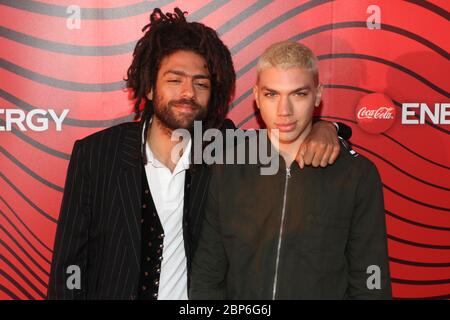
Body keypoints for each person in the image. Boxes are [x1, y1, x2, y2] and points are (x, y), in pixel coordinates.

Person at [47, 8, 351, 300]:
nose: (188, 93)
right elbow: (68, 265)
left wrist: (327, 128)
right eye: (175, 80)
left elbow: (289, 137)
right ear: (150, 87)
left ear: (213, 95)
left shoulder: (226, 148)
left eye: (200, 84)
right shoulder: (97, 154)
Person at [189, 41, 391, 299]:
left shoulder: (357, 174)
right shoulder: (227, 168)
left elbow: (371, 277)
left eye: (299, 94)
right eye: (272, 94)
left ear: (318, 95)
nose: (284, 111)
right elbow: (208, 273)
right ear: (256, 96)